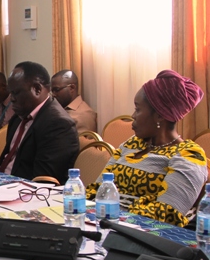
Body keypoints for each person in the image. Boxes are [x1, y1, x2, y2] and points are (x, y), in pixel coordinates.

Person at [86, 70, 207, 227]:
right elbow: (98, 189)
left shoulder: (189, 156)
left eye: (138, 109)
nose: (133, 116)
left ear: (160, 116)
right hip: (103, 223)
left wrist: (113, 214)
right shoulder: (132, 144)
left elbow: (164, 215)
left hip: (141, 234)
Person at [0, 61, 79, 184]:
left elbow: (43, 181)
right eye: (10, 93)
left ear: (37, 89)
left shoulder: (59, 125)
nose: (12, 99)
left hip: (24, 191)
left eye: (16, 93)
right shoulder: (18, 118)